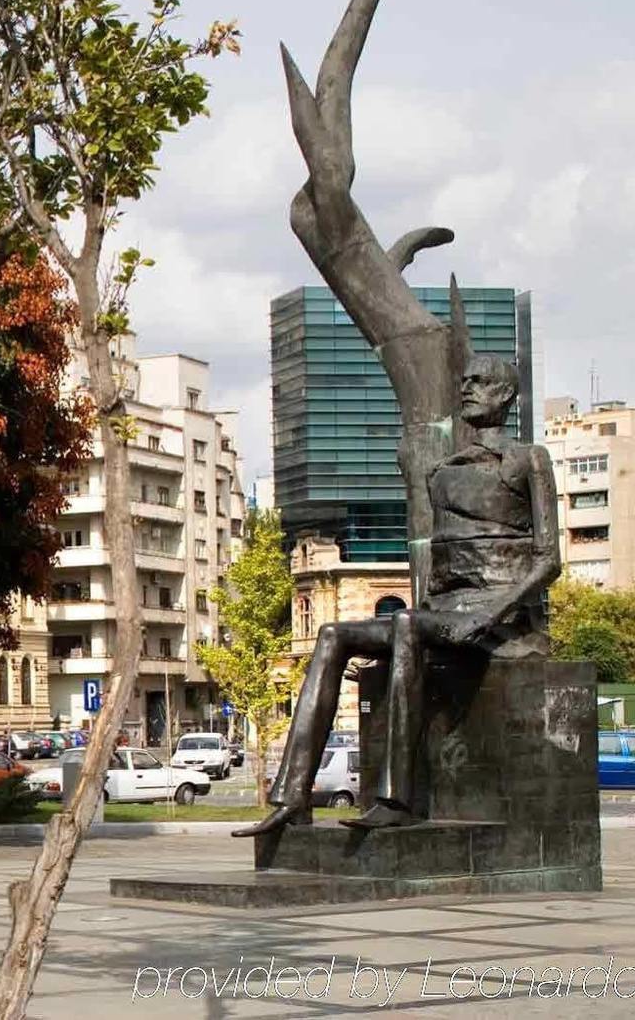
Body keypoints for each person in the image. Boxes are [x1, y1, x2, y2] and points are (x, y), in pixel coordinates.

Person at [238, 354, 559, 835]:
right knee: (331, 634)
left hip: (498, 619)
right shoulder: (444, 470)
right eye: (464, 379)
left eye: (479, 381)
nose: (466, 387)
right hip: (445, 613)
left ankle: (395, 800)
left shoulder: (528, 460)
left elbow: (548, 559)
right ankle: (292, 799)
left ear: (506, 395)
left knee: (406, 624)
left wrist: (492, 612)